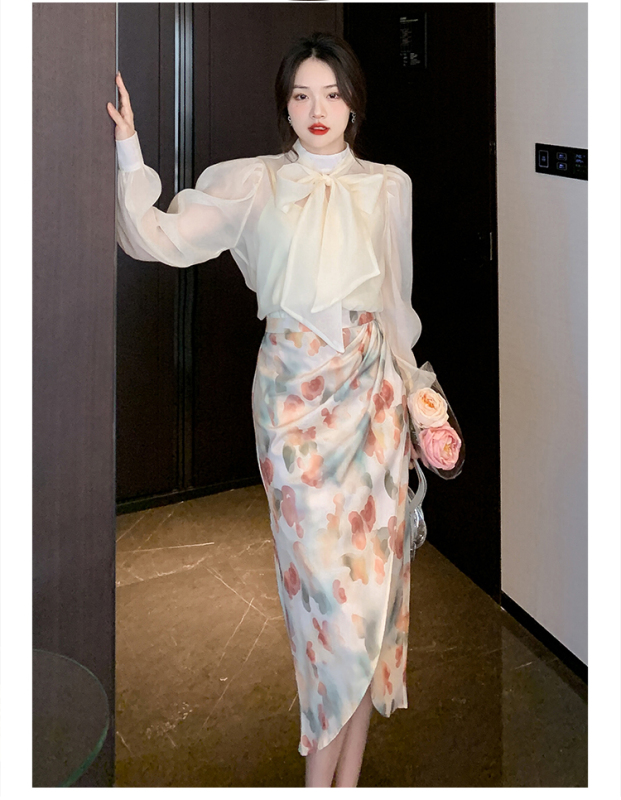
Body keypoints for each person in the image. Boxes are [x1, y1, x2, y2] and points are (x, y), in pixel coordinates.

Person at [107, 31, 436, 788]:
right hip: (293, 419)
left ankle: (342, 784)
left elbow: (395, 307)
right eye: (300, 95)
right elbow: (159, 236)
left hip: (373, 406)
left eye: (331, 93)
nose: (317, 109)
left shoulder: (389, 186)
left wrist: (419, 401)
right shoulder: (255, 183)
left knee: (369, 599)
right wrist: (129, 150)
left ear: (353, 102)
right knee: (325, 607)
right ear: (284, 106)